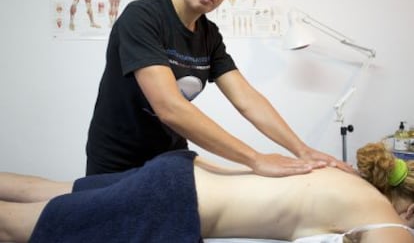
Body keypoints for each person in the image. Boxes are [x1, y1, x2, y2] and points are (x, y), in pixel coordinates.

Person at [85, 0, 352, 176]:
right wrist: (255, 159)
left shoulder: (209, 34)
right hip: (117, 161)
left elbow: (247, 99)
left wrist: (302, 150)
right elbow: (170, 108)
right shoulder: (142, 17)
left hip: (169, 158)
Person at [0, 146, 413, 243]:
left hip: (180, 172)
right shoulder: (390, 224)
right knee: (18, 227)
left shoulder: (350, 181)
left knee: (49, 192)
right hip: (173, 202)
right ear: (410, 208)